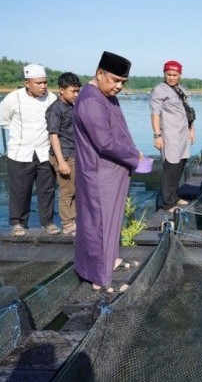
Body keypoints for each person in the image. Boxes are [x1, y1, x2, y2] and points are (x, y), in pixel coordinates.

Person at [73, 51, 143, 293]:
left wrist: (134, 151)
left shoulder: (107, 95)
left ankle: (109, 260)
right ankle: (99, 278)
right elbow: (104, 142)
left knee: (112, 221)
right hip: (99, 174)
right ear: (99, 73)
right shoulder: (91, 100)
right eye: (114, 80)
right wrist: (134, 157)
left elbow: (119, 131)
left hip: (115, 170)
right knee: (98, 224)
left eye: (123, 82)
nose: (118, 86)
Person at [0, 64, 61, 237]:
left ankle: (48, 222)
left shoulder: (51, 98)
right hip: (20, 152)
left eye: (45, 82)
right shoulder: (13, 98)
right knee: (20, 190)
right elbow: (4, 121)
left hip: (44, 152)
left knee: (47, 189)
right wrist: (20, 137)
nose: (43, 86)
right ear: (27, 83)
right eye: (39, 83)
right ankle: (18, 223)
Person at [150, 60, 195, 212]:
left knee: (180, 165)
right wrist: (157, 135)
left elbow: (188, 112)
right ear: (164, 74)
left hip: (182, 134)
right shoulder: (159, 90)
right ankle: (167, 202)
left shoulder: (182, 89)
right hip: (169, 135)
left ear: (180, 75)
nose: (171, 77)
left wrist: (191, 129)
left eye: (175, 75)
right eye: (168, 74)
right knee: (170, 167)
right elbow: (155, 113)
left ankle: (175, 196)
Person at [46, 72, 81, 236]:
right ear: (61, 90)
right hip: (64, 155)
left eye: (77, 91)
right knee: (67, 191)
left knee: (74, 189)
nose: (76, 94)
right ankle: (67, 224)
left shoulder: (71, 106)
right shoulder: (55, 109)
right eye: (73, 91)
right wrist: (61, 162)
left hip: (73, 154)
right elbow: (53, 135)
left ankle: (73, 221)